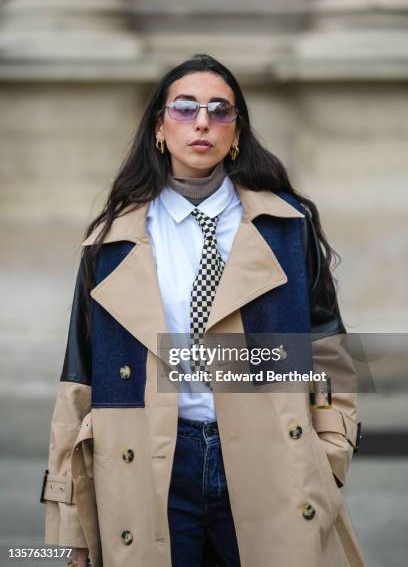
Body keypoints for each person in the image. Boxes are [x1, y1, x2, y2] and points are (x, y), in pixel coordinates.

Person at [41, 53, 365, 567]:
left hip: (270, 463)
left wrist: (329, 453)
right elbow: (79, 377)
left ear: (236, 135)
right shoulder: (111, 241)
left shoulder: (286, 225)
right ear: (159, 129)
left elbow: (328, 347)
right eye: (185, 108)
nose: (202, 122)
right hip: (149, 465)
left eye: (220, 110)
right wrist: (70, 524)